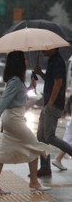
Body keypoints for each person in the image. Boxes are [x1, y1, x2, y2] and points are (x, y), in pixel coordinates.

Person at [0, 51, 51, 194]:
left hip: (13, 118)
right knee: (34, 146)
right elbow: (4, 100)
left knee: (4, 151)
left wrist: (29, 87)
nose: (26, 61)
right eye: (24, 59)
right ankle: (34, 182)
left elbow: (17, 98)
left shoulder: (16, 81)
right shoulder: (16, 81)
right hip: (14, 119)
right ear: (19, 62)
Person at [33, 48, 72, 177]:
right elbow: (50, 80)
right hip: (47, 104)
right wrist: (40, 73)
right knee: (41, 136)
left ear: (53, 48)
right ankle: (45, 168)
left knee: (49, 136)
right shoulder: (51, 61)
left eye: (45, 48)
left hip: (52, 105)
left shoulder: (57, 62)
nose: (42, 50)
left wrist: (51, 102)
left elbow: (58, 83)